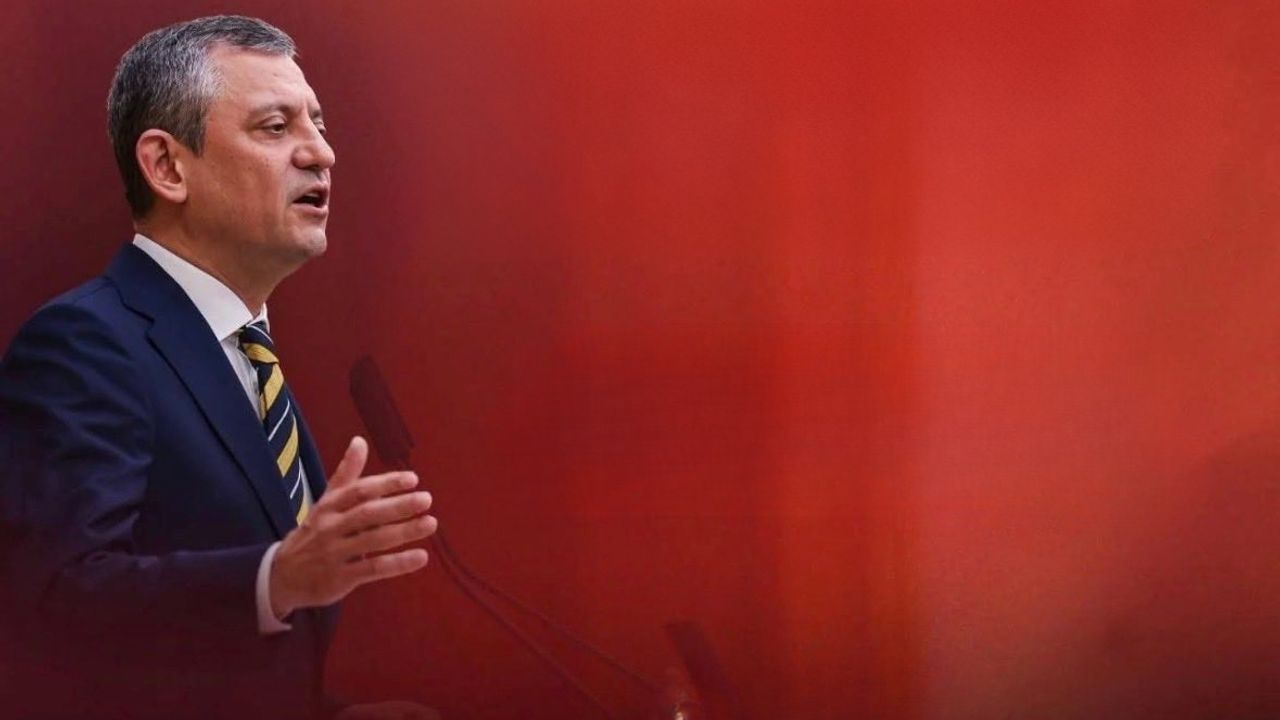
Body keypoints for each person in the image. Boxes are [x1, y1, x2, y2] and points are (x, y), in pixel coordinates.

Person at [0, 16, 438, 720]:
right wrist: (274, 579)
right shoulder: (85, 343)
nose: (322, 152)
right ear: (168, 167)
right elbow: (55, 603)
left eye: (320, 125)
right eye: (276, 127)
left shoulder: (245, 353)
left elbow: (218, 670)